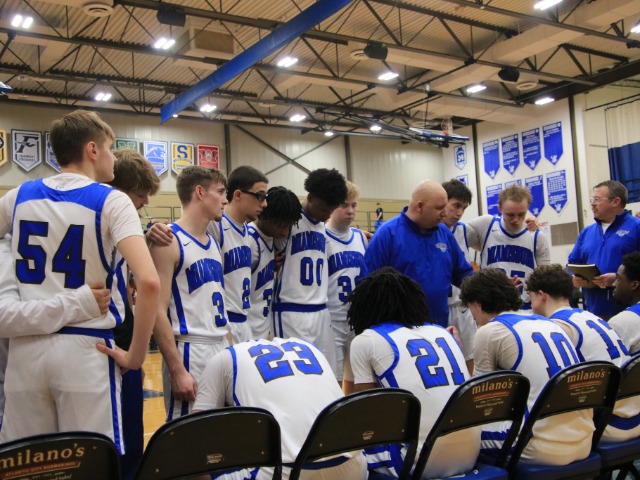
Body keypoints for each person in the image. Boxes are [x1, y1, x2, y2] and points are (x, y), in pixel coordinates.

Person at [0, 109, 160, 451]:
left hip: (24, 350)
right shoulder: (112, 200)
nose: (113, 157)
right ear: (92, 150)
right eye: (110, 148)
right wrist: (135, 356)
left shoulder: (18, 195)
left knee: (29, 464)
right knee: (90, 460)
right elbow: (148, 282)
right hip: (85, 346)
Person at [348, 267, 479, 479]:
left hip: (417, 462)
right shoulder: (442, 332)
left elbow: (364, 414)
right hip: (471, 453)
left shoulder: (368, 340)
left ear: (364, 306)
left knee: (345, 455)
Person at [459, 268, 594, 466]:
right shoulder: (549, 323)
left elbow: (482, 404)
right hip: (585, 438)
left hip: (541, 447)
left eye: (470, 308)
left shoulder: (490, 331)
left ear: (478, 304)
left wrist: (457, 356)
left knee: (459, 437)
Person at [193, 337, 368, 480]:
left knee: (192, 466)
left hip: (285, 472)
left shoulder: (223, 358)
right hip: (353, 466)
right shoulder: (309, 347)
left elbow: (194, 437)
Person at [149, 165, 268, 344]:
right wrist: (150, 234)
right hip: (197, 335)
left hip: (231, 324)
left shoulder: (230, 236)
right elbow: (190, 218)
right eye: (220, 192)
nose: (225, 200)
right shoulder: (214, 225)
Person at [0, 236, 111, 426]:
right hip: (16, 389)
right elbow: (3, 317)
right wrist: (77, 303)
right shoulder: (6, 245)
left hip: (36, 375)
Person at [150, 166, 230, 421]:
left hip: (220, 344)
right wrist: (177, 369)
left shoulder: (214, 243)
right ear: (199, 192)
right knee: (189, 433)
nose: (225, 200)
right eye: (220, 192)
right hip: (190, 348)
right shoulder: (168, 241)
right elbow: (156, 311)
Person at [526, 264, 639, 443]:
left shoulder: (556, 327)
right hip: (635, 416)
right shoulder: (592, 316)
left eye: (531, 298)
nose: (531, 306)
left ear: (541, 295)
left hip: (609, 424)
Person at [107, 147, 160, 480]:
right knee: (117, 448)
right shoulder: (103, 219)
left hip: (121, 343)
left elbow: (127, 289)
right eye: (141, 195)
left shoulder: (126, 231)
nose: (145, 202)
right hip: (106, 346)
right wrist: (137, 355)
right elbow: (149, 284)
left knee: (130, 444)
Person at [365, 179, 474, 328]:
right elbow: (368, 287)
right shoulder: (387, 235)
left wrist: (490, 292)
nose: (444, 213)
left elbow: (463, 274)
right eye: (439, 208)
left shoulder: (444, 233)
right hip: (400, 330)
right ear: (420, 206)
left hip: (438, 328)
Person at [271, 168, 348, 373]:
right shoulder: (288, 220)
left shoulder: (322, 226)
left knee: (328, 373)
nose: (327, 215)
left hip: (321, 310)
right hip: (290, 310)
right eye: (323, 209)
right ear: (310, 197)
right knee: (295, 376)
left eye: (331, 210)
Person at [465, 185, 550, 310]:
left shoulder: (537, 236)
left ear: (527, 208)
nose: (516, 219)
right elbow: (455, 233)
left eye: (521, 214)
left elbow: (545, 279)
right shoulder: (487, 225)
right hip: (491, 305)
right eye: (510, 215)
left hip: (525, 307)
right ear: (500, 208)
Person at [568, 180, 640, 319]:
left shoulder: (636, 227)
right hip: (593, 312)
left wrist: (618, 278)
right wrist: (574, 277)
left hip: (629, 314)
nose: (592, 204)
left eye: (597, 199)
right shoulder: (587, 232)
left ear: (615, 202)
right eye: (592, 199)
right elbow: (572, 262)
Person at [326, 181, 368, 392]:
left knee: (359, 375)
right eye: (344, 205)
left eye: (354, 205)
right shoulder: (321, 236)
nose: (350, 211)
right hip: (331, 319)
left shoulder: (360, 237)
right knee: (332, 377)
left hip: (357, 319)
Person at [246, 186, 302, 339]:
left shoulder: (271, 238)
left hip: (263, 327)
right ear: (264, 215)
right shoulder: (249, 240)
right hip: (247, 329)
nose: (285, 232)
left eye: (288, 226)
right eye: (280, 226)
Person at [441, 178, 477, 372]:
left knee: (469, 358)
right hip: (438, 308)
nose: (459, 212)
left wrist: (530, 225)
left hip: (462, 307)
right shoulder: (427, 230)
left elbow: (501, 229)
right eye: (456, 206)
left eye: (464, 208)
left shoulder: (466, 230)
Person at [609, 252, 640, 354]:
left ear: (634, 285)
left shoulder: (620, 323)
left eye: (618, 279)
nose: (613, 284)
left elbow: (608, 363)